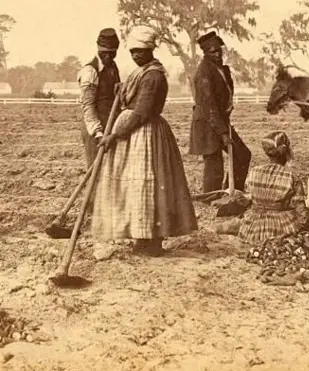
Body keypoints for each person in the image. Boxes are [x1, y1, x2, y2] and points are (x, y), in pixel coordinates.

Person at [93, 26, 198, 257]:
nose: (136, 55)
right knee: (136, 187)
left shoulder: (153, 76)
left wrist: (114, 134)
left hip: (145, 133)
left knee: (148, 185)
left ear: (150, 49)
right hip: (134, 133)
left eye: (140, 51)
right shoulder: (141, 72)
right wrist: (122, 91)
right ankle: (141, 237)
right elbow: (131, 101)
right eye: (132, 51)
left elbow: (141, 112)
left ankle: (152, 241)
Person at [189, 31, 251, 192]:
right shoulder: (204, 73)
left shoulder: (223, 69)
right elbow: (209, 106)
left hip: (220, 121)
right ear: (205, 53)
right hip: (207, 123)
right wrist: (223, 134)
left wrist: (224, 126)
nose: (217, 54)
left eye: (219, 50)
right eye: (212, 52)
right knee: (214, 164)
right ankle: (210, 197)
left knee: (242, 154)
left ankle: (234, 191)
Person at [238, 131, 309, 245]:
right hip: (280, 226)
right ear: (285, 151)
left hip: (253, 226)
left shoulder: (254, 171)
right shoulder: (291, 176)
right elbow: (301, 211)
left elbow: (251, 197)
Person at [77, 28, 121, 168]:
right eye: (105, 53)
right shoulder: (90, 71)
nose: (108, 57)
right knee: (96, 169)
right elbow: (88, 106)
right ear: (98, 49)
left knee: (111, 170)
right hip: (96, 129)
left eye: (112, 53)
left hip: (111, 127)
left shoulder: (113, 67)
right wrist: (98, 133)